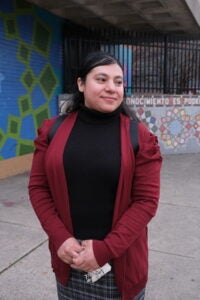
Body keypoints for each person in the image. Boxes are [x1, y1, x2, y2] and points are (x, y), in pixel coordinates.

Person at [28, 51, 162, 300]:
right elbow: (38, 188)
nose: (112, 88)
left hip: (120, 260)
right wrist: (61, 238)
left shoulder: (141, 137)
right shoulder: (51, 130)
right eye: (101, 79)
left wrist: (105, 249)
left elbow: (146, 201)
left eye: (118, 82)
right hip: (69, 256)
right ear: (81, 84)